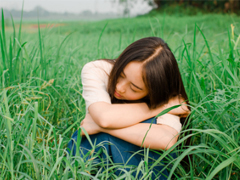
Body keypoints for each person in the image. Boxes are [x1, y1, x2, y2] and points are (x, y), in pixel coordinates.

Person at [67, 37, 190, 179]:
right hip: (95, 154)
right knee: (101, 137)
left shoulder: (165, 94)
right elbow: (104, 117)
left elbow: (166, 139)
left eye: (134, 88)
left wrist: (100, 126)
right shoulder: (97, 70)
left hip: (140, 161)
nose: (120, 87)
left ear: (154, 91)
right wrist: (160, 108)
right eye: (120, 75)